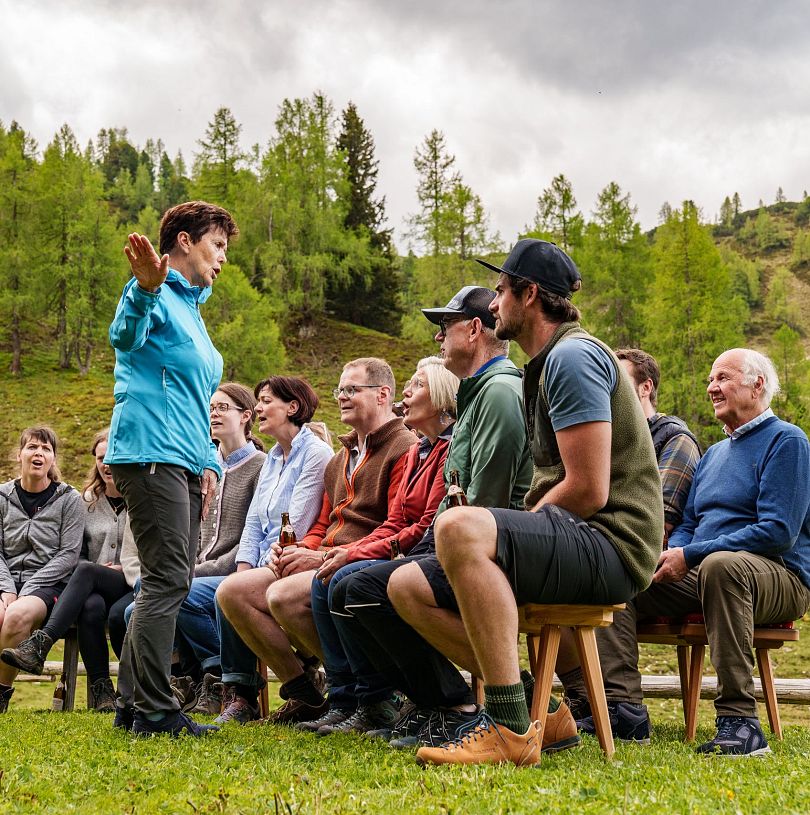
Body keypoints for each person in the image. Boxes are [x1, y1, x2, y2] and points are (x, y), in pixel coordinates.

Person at [413, 239, 663, 767]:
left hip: (612, 542)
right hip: (586, 534)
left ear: (528, 295)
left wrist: (515, 529)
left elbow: (590, 490)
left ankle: (508, 728)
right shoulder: (548, 363)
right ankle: (542, 710)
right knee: (407, 583)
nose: (494, 303)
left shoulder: (572, 357)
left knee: (460, 529)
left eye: (501, 291)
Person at [331, 286, 535, 749]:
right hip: (459, 543)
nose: (439, 338)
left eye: (446, 327)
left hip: (488, 552)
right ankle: (435, 702)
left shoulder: (500, 392)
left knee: (364, 587)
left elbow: (488, 501)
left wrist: (414, 550)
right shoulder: (477, 395)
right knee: (350, 586)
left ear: (474, 329)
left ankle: (461, 703)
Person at [593, 348, 810, 756]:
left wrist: (691, 555)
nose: (712, 387)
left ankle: (740, 724)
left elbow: (778, 531)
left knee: (722, 566)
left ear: (757, 385)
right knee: (618, 575)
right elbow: (690, 523)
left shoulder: (788, 441)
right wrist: (669, 555)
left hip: (780, 578)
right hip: (710, 573)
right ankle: (623, 709)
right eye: (710, 379)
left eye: (723, 378)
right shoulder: (713, 454)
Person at [217, 358, 415, 725]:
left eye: (351, 390)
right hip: (328, 556)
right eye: (339, 390)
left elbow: (395, 526)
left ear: (383, 394)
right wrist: (298, 549)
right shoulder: (340, 458)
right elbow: (323, 524)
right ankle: (308, 692)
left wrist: (323, 555)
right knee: (233, 591)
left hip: (364, 560)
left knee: (283, 596)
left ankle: (364, 690)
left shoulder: (404, 447)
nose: (341, 396)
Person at [105, 200, 237, 737]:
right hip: (150, 452)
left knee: (172, 580)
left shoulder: (195, 310)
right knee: (164, 581)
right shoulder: (155, 293)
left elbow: (198, 395)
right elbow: (124, 337)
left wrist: (207, 462)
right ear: (184, 240)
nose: (224, 258)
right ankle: (156, 710)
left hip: (183, 457)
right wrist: (143, 289)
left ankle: (133, 704)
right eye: (218, 245)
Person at [283, 356, 458, 735]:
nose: (405, 393)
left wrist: (353, 552)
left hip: (427, 555)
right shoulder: (418, 451)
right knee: (331, 578)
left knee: (348, 581)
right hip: (398, 550)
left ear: (444, 395)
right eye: (340, 390)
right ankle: (352, 700)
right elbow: (392, 521)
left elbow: (426, 524)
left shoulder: (431, 448)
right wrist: (337, 552)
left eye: (417, 386)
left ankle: (390, 700)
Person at [557, 348, 703, 721]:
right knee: (549, 578)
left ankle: (622, 705)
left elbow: (658, 522)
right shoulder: (607, 438)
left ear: (645, 388)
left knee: (608, 575)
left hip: (661, 559)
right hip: (611, 544)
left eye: (618, 382)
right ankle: (584, 695)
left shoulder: (674, 439)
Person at [211, 376, 335, 723]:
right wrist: (244, 568)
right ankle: (303, 692)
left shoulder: (316, 454)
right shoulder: (272, 460)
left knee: (230, 592)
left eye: (266, 401)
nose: (259, 409)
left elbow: (293, 525)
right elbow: (252, 525)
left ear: (292, 407)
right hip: (266, 563)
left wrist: (255, 575)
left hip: (293, 560)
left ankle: (247, 694)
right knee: (230, 589)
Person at [2, 429, 131, 711]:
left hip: (131, 580)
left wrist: (114, 567)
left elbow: (70, 556)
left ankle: (41, 643)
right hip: (93, 585)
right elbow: (79, 551)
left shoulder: (142, 497)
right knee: (91, 606)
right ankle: (101, 691)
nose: (107, 464)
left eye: (113, 457)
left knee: (85, 572)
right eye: (101, 458)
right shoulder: (88, 501)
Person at [170, 382, 266, 714]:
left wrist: (196, 571)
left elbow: (250, 536)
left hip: (233, 570)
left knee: (177, 592)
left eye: (223, 408)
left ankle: (221, 682)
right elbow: (194, 533)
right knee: (136, 603)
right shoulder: (204, 469)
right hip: (198, 571)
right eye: (211, 408)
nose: (214, 414)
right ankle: (193, 682)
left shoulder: (260, 465)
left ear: (246, 416)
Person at [0, 427, 84, 713]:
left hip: (49, 583)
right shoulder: (1, 496)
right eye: (33, 447)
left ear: (53, 459)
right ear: (20, 454)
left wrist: (27, 589)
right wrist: (8, 587)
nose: (39, 453)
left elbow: (68, 554)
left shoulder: (69, 499)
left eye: (46, 449)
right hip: (6, 581)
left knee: (16, 615)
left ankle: (1, 696)